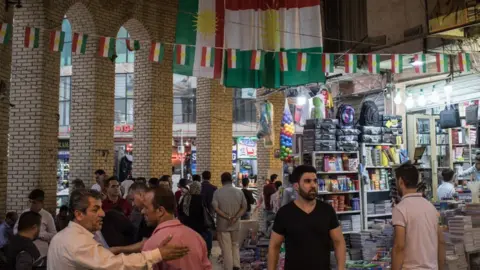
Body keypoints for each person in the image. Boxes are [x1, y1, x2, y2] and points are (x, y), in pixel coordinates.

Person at [47, 189, 189, 270]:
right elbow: (116, 264)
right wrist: (157, 254)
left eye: (101, 208)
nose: (102, 214)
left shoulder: (63, 237)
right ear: (79, 214)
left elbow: (97, 258)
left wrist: (117, 250)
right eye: (95, 210)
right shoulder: (77, 242)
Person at [268, 165, 346, 270]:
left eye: (315, 181)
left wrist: (341, 268)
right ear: (296, 186)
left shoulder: (327, 210)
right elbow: (274, 246)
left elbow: (339, 242)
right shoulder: (285, 213)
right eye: (307, 181)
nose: (313, 185)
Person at [142, 187, 212, 270]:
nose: (142, 211)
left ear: (160, 211)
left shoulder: (151, 246)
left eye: (146, 207)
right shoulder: (197, 238)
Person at [391, 162, 445, 270]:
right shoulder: (431, 208)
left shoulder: (400, 209)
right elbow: (441, 241)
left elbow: (399, 247)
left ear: (401, 181)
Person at [212, 172, 247, 270]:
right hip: (235, 224)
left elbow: (216, 208)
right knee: (235, 245)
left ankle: (229, 267)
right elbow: (244, 207)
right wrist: (235, 217)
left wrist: (227, 217)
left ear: (221, 180)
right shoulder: (239, 192)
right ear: (231, 180)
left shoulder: (217, 192)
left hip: (223, 225)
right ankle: (236, 265)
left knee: (226, 249)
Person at [14, 189, 56, 258]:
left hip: (41, 254)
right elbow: (15, 229)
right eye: (30, 201)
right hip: (24, 252)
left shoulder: (47, 216)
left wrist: (39, 234)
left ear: (41, 203)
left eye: (34, 202)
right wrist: (23, 234)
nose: (31, 204)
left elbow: (54, 235)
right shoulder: (24, 213)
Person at [200, 171, 216, 257]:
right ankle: (209, 249)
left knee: (200, 231)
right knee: (209, 231)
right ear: (210, 177)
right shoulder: (214, 188)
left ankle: (201, 249)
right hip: (210, 213)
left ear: (202, 177)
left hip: (200, 212)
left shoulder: (200, 187)